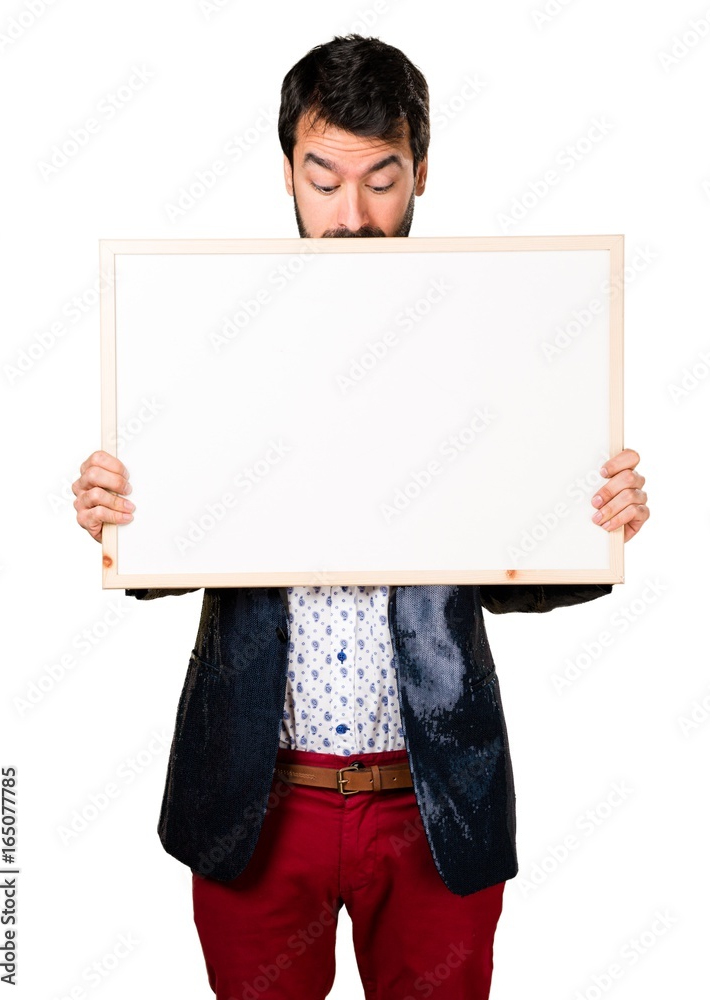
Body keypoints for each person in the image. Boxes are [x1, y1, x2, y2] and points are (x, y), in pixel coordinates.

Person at [72, 34, 650, 1000]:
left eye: (381, 181)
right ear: (287, 175)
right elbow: (165, 554)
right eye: (324, 181)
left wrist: (599, 522)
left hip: (433, 799)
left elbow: (519, 572)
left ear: (421, 171)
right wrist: (118, 514)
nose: (352, 216)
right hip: (258, 798)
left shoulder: (489, 335)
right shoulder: (217, 334)